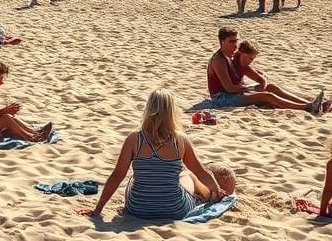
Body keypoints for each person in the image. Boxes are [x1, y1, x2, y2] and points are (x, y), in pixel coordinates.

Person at [80, 89, 226, 221]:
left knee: (132, 179)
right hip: (174, 209)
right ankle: (211, 196)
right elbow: (201, 172)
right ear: (172, 112)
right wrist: (217, 188)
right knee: (189, 174)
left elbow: (117, 175)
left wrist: (97, 209)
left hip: (138, 209)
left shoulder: (134, 139)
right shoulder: (180, 140)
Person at [207, 29, 331, 113]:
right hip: (222, 98)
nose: (235, 45)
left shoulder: (235, 57)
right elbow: (229, 88)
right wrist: (250, 90)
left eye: (236, 41)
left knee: (271, 87)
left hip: (235, 92)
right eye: (231, 41)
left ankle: (311, 103)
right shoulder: (219, 60)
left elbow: (261, 79)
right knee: (267, 96)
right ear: (222, 42)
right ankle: (307, 107)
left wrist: (258, 88)